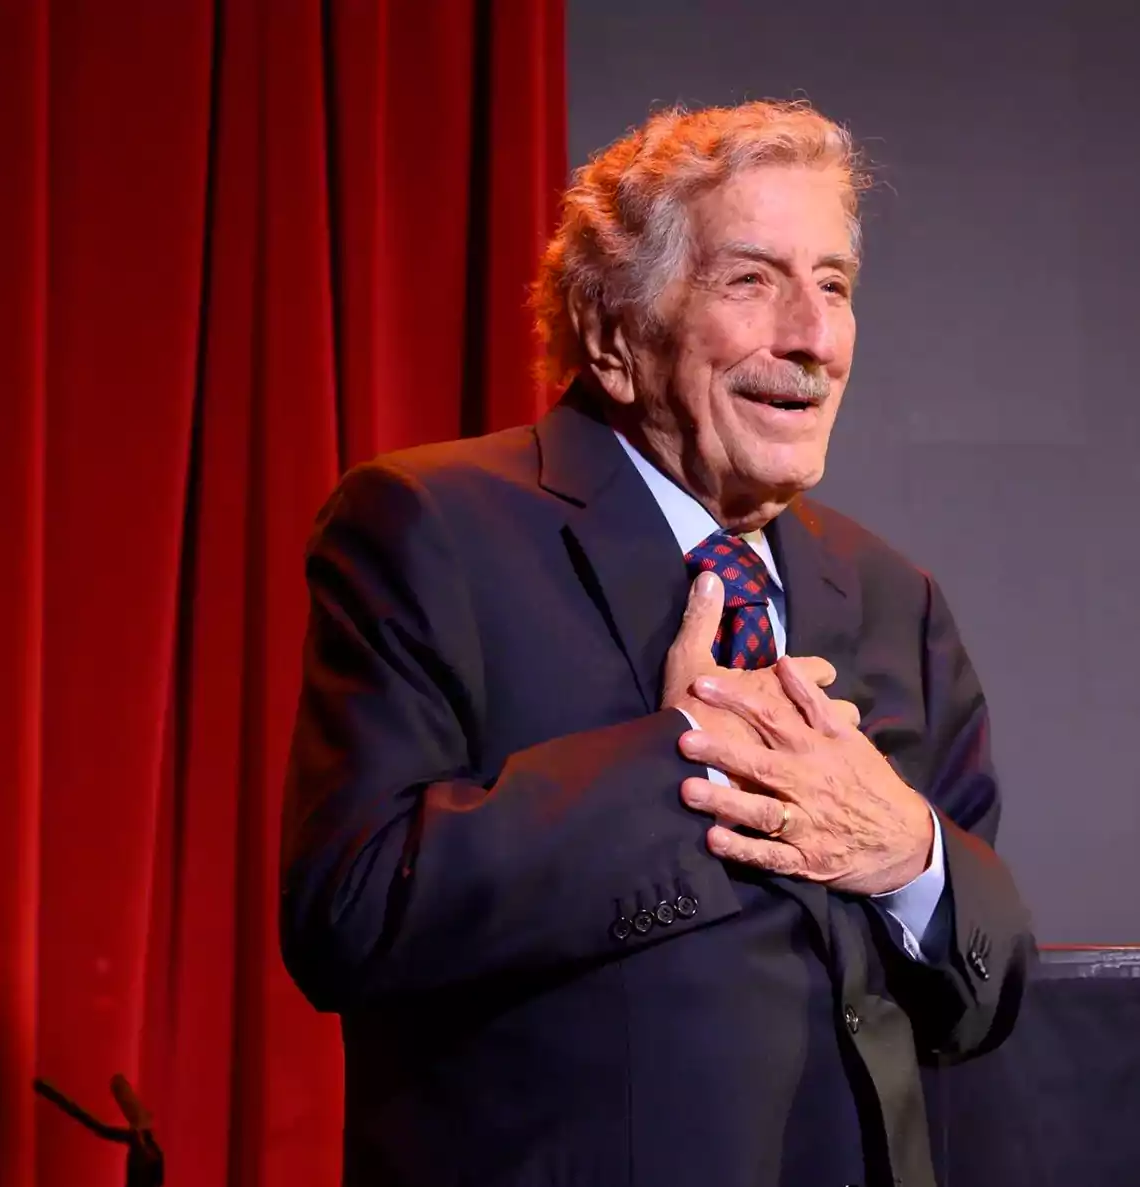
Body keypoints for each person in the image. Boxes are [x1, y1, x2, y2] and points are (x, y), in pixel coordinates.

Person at [279, 99, 1033, 1187]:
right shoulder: (433, 528)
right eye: (751, 279)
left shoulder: (888, 596)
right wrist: (680, 765)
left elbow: (984, 994)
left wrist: (909, 855)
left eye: (832, 285)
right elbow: (350, 915)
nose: (812, 337)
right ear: (612, 337)